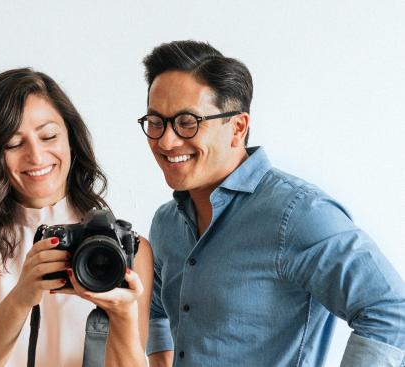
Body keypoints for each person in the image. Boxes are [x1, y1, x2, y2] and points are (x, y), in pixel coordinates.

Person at [138, 40, 405, 366]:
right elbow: (157, 310)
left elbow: (391, 311)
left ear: (237, 127)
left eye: (187, 122)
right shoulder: (167, 222)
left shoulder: (298, 214)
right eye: (155, 122)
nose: (166, 140)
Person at [0, 68, 153, 367]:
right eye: (13, 143)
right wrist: (22, 296)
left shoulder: (126, 248)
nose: (36, 156)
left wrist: (123, 316)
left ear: (71, 139)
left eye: (49, 136)